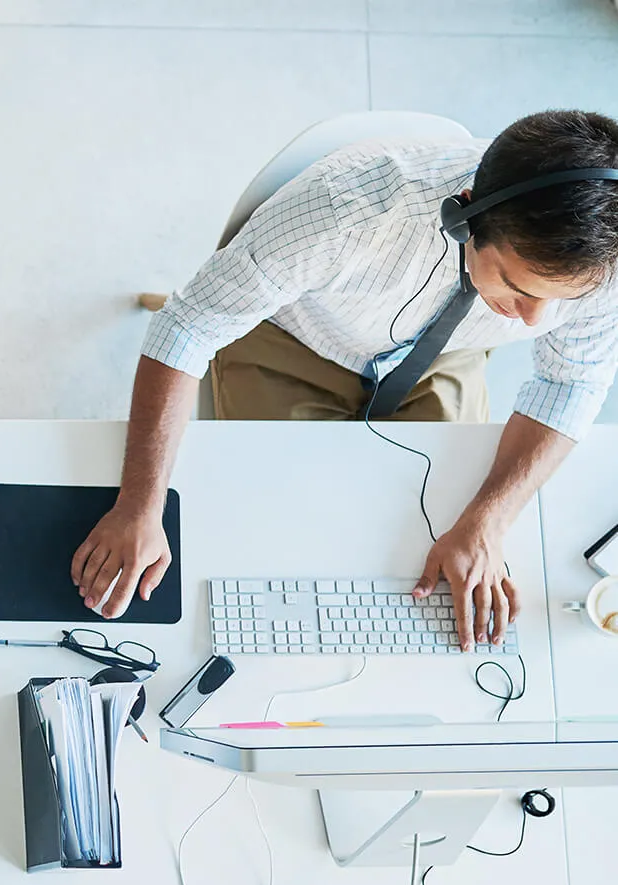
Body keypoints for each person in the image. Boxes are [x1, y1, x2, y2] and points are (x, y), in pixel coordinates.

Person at [75, 109, 618, 650]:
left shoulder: (605, 261)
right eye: (517, 289)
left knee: (420, 544)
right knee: (281, 526)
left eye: (557, 301)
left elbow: (568, 385)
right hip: (297, 338)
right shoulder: (345, 208)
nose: (533, 322)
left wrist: (489, 522)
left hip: (445, 354)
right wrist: (140, 506)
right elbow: (190, 326)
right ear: (465, 217)